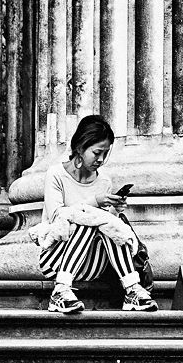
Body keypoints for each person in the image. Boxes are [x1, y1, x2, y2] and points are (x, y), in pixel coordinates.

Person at [37, 114, 158, 314]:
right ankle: (60, 291)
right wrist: (95, 203)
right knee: (88, 220)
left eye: (105, 154)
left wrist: (114, 211)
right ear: (80, 147)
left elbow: (106, 226)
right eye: (96, 153)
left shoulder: (104, 181)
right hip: (55, 260)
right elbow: (57, 217)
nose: (100, 160)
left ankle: (132, 290)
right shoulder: (56, 174)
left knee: (105, 223)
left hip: (92, 263)